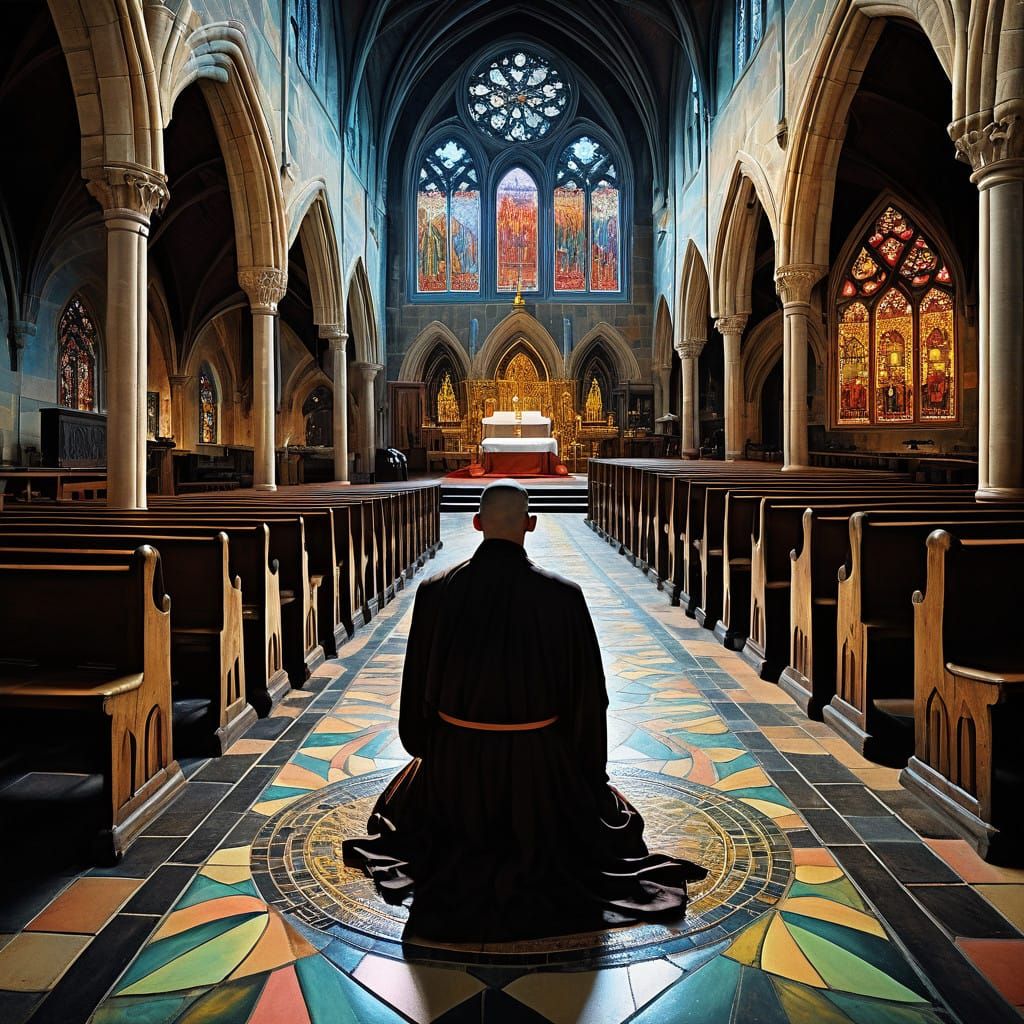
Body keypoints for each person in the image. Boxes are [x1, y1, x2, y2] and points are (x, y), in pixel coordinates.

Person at [342, 479, 706, 942]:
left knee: (402, 806)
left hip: (457, 761)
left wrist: (429, 751)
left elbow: (416, 687)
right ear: (530, 525)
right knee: (606, 827)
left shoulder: (434, 591)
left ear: (476, 524)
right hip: (540, 764)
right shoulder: (563, 595)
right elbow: (588, 696)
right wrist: (587, 771)